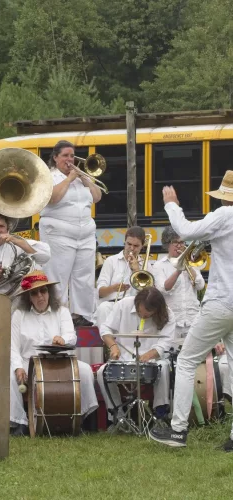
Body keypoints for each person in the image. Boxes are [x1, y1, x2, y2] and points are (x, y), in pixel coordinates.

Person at [150, 174, 233, 450]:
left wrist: (172, 205)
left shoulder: (225, 213)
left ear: (225, 196)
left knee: (186, 361)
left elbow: (185, 230)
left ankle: (177, 432)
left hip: (221, 302)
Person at [10, 271, 99, 435]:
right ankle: (19, 424)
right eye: (34, 293)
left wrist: (62, 340)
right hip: (28, 363)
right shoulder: (19, 314)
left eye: (43, 291)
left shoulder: (62, 312)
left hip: (59, 362)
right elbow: (13, 347)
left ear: (49, 293)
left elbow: (72, 337)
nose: (40, 296)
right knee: (9, 375)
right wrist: (17, 368)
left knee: (86, 370)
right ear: (28, 297)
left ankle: (83, 421)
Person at [39, 140, 102, 326]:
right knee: (58, 276)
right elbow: (52, 198)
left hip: (85, 235)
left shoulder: (81, 177)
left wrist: (84, 178)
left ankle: (82, 315)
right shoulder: (49, 176)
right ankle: (58, 315)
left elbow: (97, 197)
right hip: (59, 234)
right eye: (65, 155)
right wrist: (69, 178)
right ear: (55, 157)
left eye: (72, 155)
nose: (69, 159)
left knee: (85, 276)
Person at [97, 287, 175, 426]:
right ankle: (117, 416)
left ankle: (160, 413)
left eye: (147, 315)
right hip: (123, 358)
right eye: (140, 313)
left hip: (152, 359)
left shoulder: (168, 314)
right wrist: (113, 346)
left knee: (163, 368)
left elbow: (165, 342)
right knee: (102, 372)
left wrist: (149, 355)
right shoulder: (124, 305)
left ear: (157, 310)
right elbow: (105, 328)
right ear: (137, 303)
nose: (143, 317)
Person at [0, 210, 50, 297]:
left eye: (2, 226)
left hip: (17, 304)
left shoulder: (15, 245)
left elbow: (45, 256)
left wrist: (16, 241)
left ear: (7, 229)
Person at [153, 227, 205, 343]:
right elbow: (163, 288)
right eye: (175, 242)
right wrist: (178, 270)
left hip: (192, 318)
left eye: (181, 242)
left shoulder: (192, 262)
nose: (179, 245)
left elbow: (200, 285)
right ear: (167, 244)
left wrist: (188, 265)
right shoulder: (159, 266)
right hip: (171, 321)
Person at [95, 226, 146, 329]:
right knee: (103, 308)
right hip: (111, 305)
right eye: (129, 244)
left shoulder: (145, 265)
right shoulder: (111, 261)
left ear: (142, 246)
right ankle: (107, 342)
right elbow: (100, 292)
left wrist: (137, 271)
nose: (131, 248)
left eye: (136, 246)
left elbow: (148, 294)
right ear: (125, 242)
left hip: (133, 307)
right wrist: (114, 288)